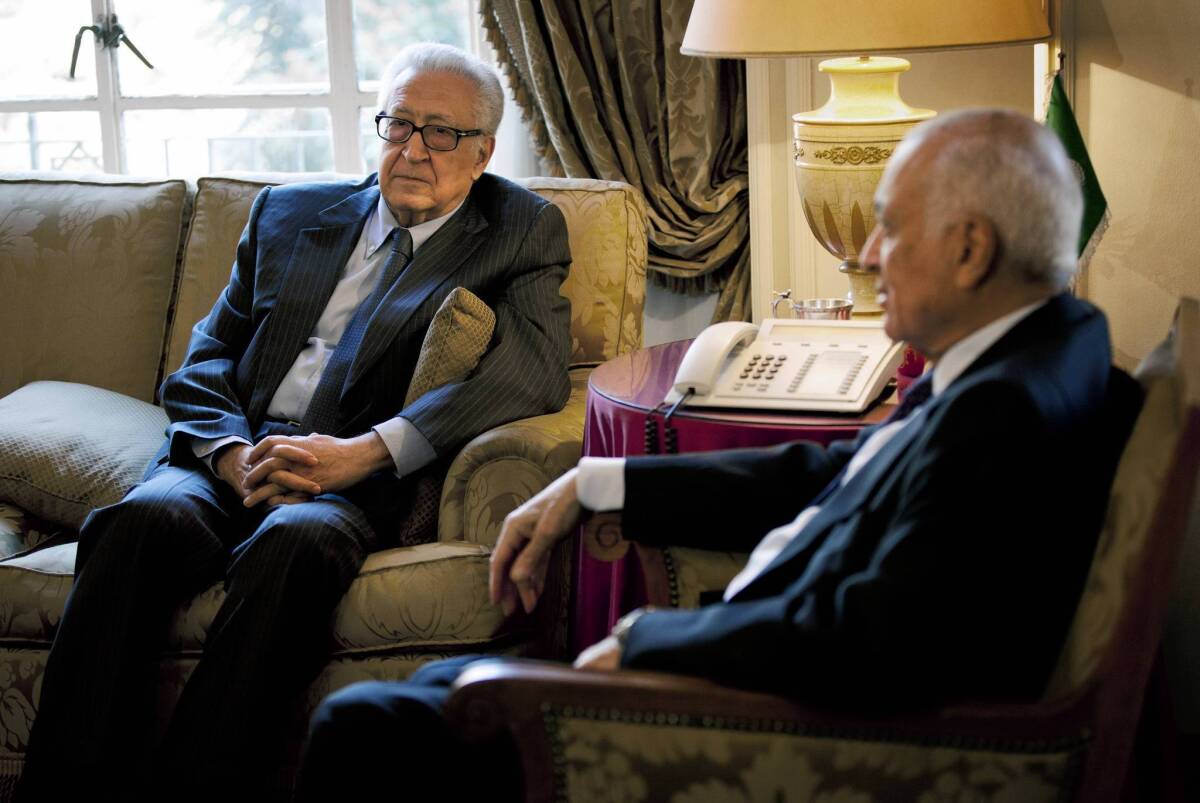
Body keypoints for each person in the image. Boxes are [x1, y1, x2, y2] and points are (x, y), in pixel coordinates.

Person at [292, 108, 1141, 800]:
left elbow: (872, 636)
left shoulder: (1001, 414)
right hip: (747, 668)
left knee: (363, 723)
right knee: (441, 690)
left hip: (757, 722)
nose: (871, 254)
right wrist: (600, 482)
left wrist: (656, 640)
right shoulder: (1040, 349)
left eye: (889, 226)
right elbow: (834, 473)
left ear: (969, 248)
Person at [15, 43, 572, 802]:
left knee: (293, 545)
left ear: (483, 151)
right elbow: (205, 360)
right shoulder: (289, 212)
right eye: (398, 124)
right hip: (230, 458)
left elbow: (530, 373)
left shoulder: (519, 230)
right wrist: (229, 454)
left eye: (439, 132)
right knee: (135, 523)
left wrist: (365, 453)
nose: (412, 149)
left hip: (347, 483)